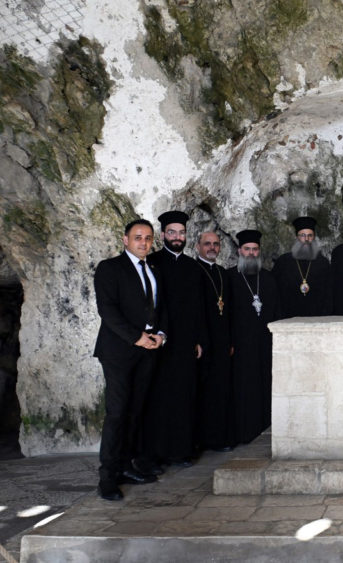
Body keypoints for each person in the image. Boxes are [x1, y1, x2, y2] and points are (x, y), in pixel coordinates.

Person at [93, 219, 165, 501]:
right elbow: (107, 310)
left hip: (147, 349)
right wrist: (136, 337)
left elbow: (161, 308)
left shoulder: (154, 270)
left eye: (148, 238)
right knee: (117, 413)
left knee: (136, 412)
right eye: (138, 238)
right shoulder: (109, 268)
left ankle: (126, 466)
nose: (143, 243)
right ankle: (107, 478)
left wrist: (160, 334)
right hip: (119, 351)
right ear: (125, 240)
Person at [141, 210, 205, 470]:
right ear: (163, 235)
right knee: (158, 398)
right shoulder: (152, 262)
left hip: (186, 342)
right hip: (159, 342)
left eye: (181, 233)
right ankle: (155, 454)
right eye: (172, 232)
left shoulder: (193, 266)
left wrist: (200, 339)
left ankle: (181, 450)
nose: (177, 237)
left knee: (184, 396)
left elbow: (199, 306)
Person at [229, 229, 280, 445]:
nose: (251, 253)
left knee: (265, 386)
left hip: (265, 343)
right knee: (244, 389)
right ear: (240, 251)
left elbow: (278, 311)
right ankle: (244, 432)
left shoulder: (268, 278)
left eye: (255, 249)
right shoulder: (230, 277)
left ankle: (265, 429)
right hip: (241, 345)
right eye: (247, 249)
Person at [194, 230, 235, 452]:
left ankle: (219, 438)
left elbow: (227, 310)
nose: (212, 248)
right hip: (202, 343)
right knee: (203, 392)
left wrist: (229, 340)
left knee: (221, 390)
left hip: (221, 342)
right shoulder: (192, 271)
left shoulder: (221, 273)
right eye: (207, 244)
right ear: (198, 246)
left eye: (216, 244)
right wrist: (198, 340)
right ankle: (202, 440)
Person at [272, 216, 333, 317]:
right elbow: (275, 292)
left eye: (310, 235)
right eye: (302, 235)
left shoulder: (322, 263)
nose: (306, 239)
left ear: (313, 237)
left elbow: (329, 294)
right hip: (288, 318)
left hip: (317, 318)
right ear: (297, 237)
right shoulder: (283, 262)